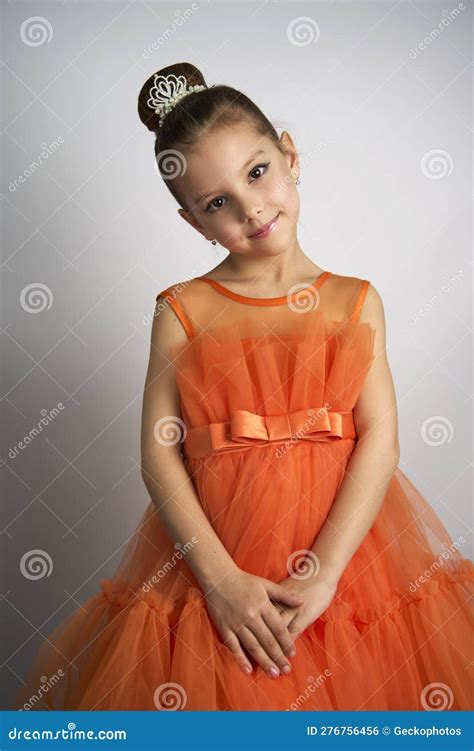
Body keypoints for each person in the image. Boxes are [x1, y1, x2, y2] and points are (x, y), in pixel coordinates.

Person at [13, 62, 473, 712]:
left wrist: (324, 573)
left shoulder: (354, 301)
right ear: (192, 220)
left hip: (344, 563)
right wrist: (221, 581)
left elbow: (381, 440)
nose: (251, 208)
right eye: (217, 203)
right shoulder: (181, 310)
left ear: (288, 154)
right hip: (218, 567)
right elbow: (159, 453)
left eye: (256, 173)